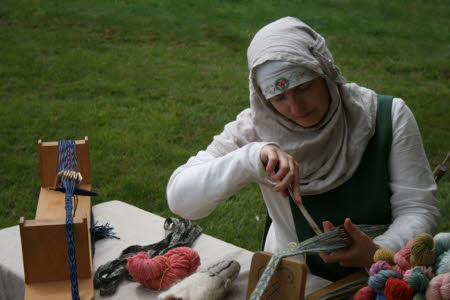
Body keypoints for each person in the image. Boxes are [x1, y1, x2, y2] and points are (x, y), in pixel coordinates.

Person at [166, 17, 441, 291]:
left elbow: (418, 207)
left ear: (324, 72)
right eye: (279, 98)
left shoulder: (386, 117)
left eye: (304, 88)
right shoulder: (254, 129)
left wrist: (379, 250)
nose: (296, 107)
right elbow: (181, 200)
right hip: (296, 280)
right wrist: (251, 158)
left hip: (381, 275)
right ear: (263, 98)